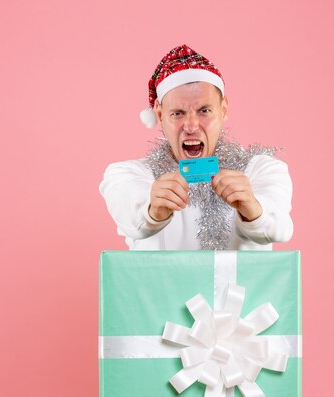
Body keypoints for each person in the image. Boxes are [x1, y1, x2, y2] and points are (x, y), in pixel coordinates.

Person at [99, 44, 293, 250]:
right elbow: (132, 216)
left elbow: (279, 228)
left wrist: (253, 209)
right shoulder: (125, 174)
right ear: (159, 114)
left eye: (204, 110)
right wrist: (152, 211)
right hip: (158, 284)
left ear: (223, 109)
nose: (191, 126)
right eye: (178, 113)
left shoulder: (261, 169)